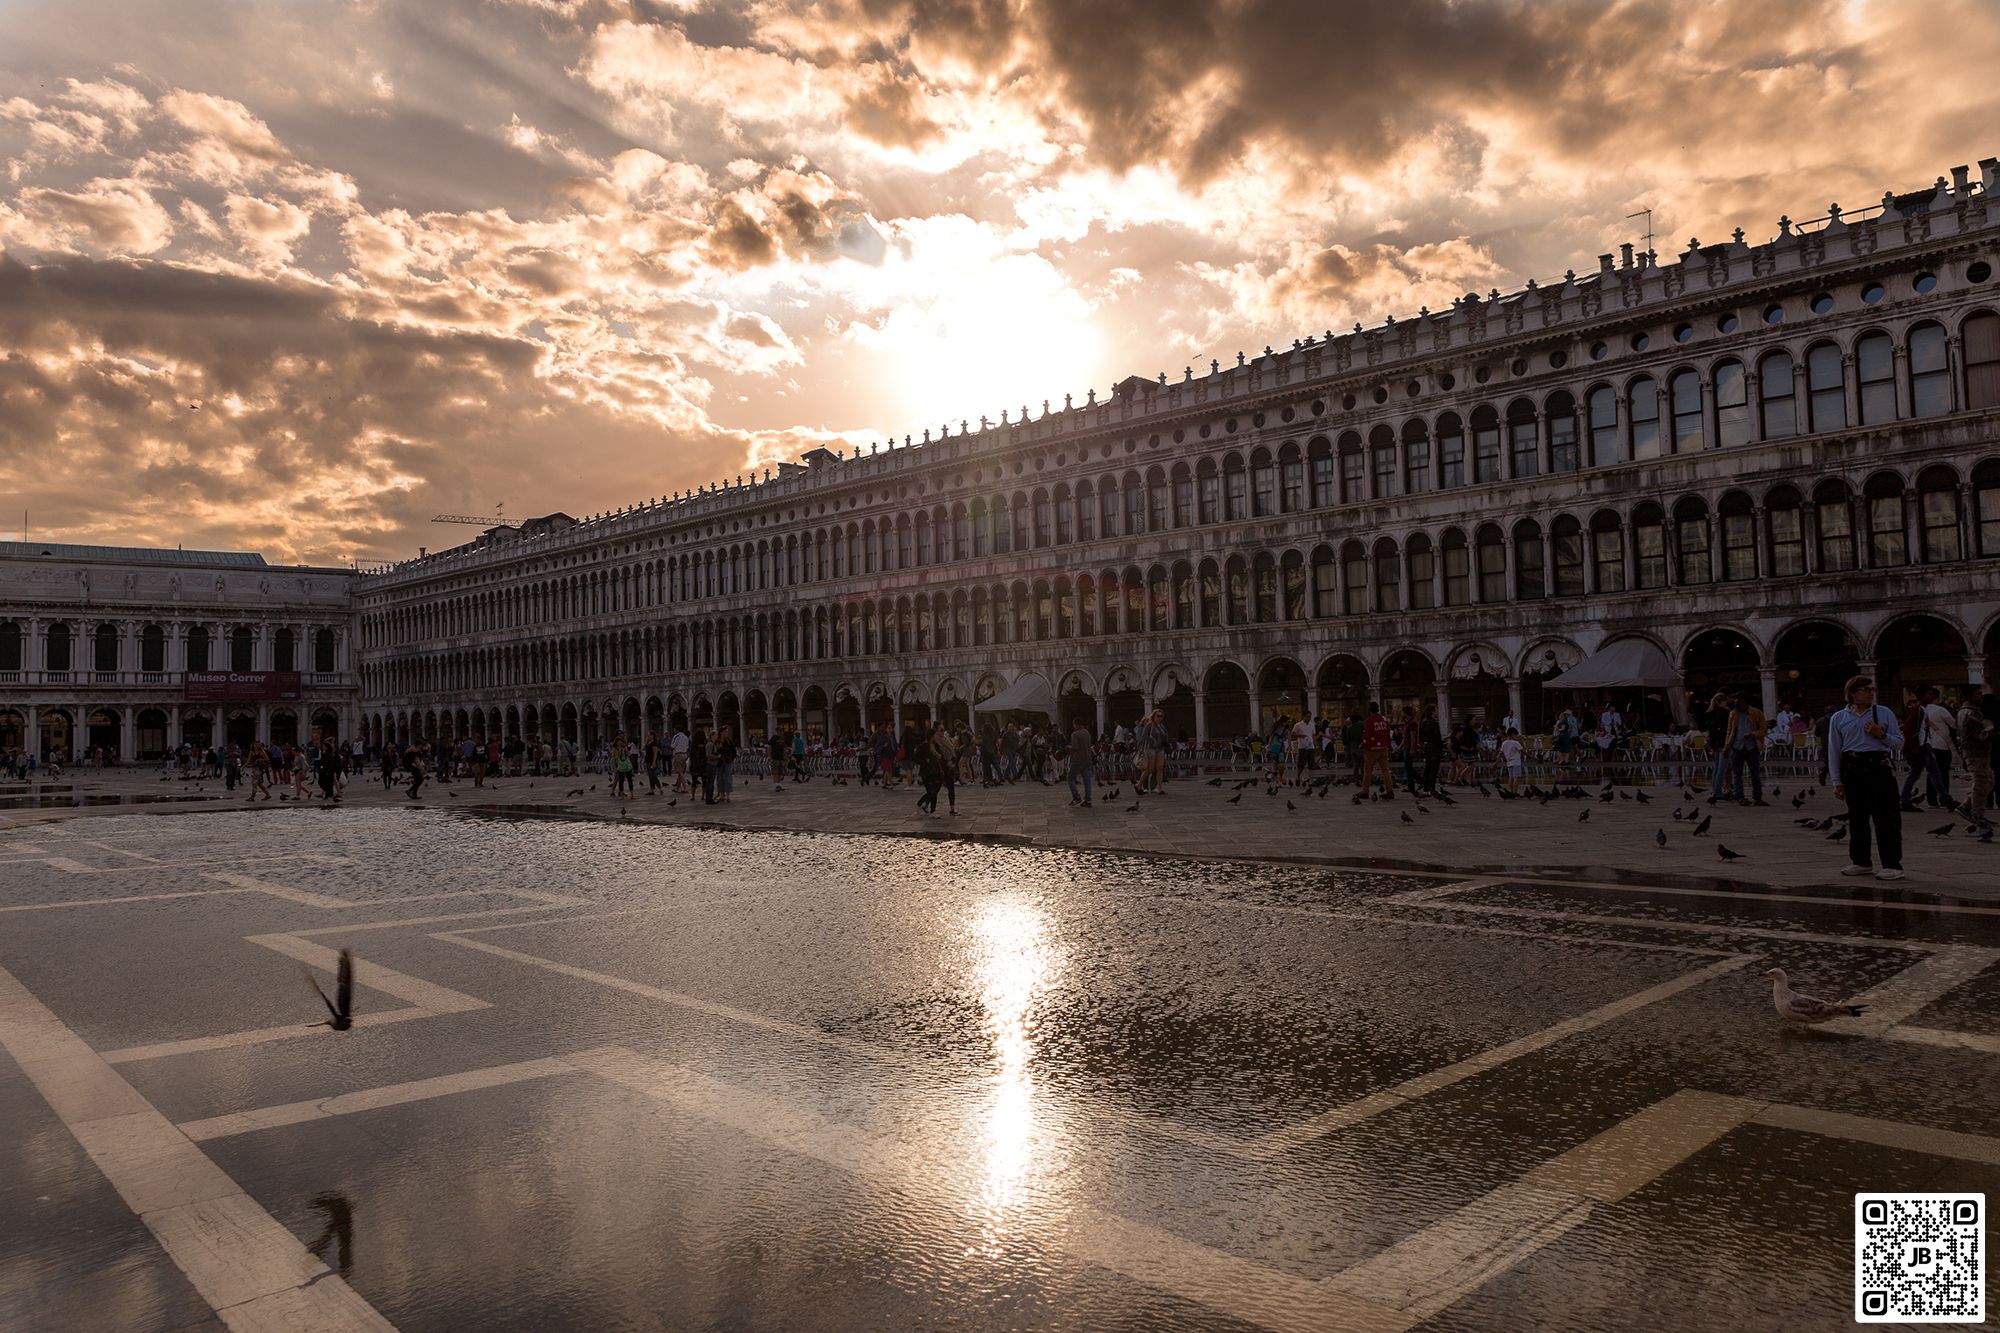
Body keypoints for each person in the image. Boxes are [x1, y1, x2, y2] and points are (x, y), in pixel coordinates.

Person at [1828, 674, 1904, 880]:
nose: (1871, 693)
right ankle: (1861, 862)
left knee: (1886, 818)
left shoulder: (1883, 713)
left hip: (1878, 767)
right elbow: (1834, 751)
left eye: (1873, 690)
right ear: (1852, 693)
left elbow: (1899, 743)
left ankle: (1892, 864)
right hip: (1853, 768)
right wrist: (1837, 781)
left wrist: (1881, 734)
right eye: (1866, 690)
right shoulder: (1839, 718)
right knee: (1857, 818)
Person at [1955, 683, 1995, 830]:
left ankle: (1967, 806)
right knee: (1981, 783)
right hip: (1976, 753)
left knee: (1988, 782)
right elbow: (1979, 736)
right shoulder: (1971, 713)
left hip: (1979, 753)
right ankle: (1978, 815)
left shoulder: (1966, 712)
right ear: (1969, 696)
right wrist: (1990, 732)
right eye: (1978, 694)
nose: (1981, 696)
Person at [1725, 693, 1769, 806]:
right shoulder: (1733, 714)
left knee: (1755, 773)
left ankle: (1757, 797)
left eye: (1741, 703)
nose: (1739, 706)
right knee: (1737, 774)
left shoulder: (1757, 713)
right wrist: (1727, 746)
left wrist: (1752, 734)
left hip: (1752, 747)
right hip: (1737, 746)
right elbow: (1729, 731)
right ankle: (1739, 796)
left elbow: (1764, 730)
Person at [1359, 701, 1393, 794]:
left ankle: (1365, 791)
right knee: (1385, 771)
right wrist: (1389, 746)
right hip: (1383, 748)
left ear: (1369, 710)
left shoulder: (1369, 721)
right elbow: (1388, 734)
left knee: (1368, 770)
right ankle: (1390, 790)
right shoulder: (1384, 720)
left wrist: (1362, 745)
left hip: (1372, 749)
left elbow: (1367, 736)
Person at [1067, 718, 1095, 807]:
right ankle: (1088, 799)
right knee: (1087, 781)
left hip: (1077, 760)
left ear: (1076, 724)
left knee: (1071, 778)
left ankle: (1076, 797)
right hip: (1087, 759)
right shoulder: (1087, 733)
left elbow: (1075, 747)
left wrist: (1068, 748)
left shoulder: (1075, 734)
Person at [1418, 704, 1444, 795]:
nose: (1437, 711)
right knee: (1434, 768)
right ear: (1433, 711)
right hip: (1434, 747)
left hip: (1426, 746)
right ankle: (1431, 788)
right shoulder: (1434, 723)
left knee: (1428, 767)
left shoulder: (1423, 721)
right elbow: (1437, 737)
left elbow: (1420, 736)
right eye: (1436, 709)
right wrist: (1441, 748)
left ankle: (1426, 787)